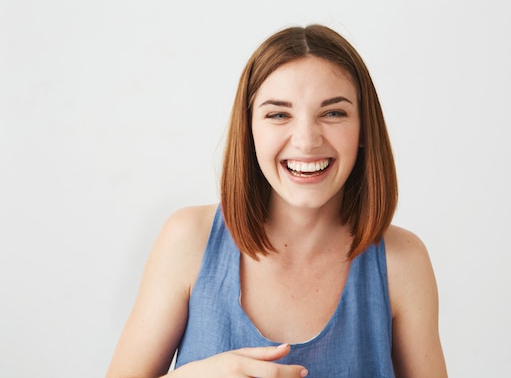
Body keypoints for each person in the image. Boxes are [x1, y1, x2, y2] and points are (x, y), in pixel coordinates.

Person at [106, 24, 448, 378]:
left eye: (333, 113)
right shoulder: (187, 239)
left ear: (364, 130)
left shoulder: (403, 262)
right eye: (278, 114)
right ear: (249, 129)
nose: (306, 140)